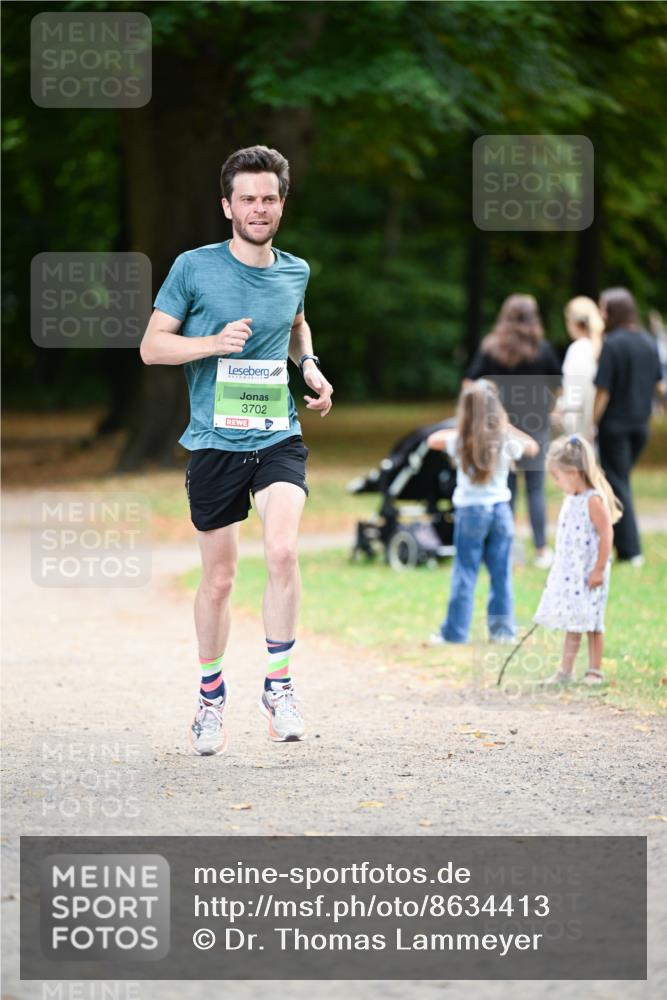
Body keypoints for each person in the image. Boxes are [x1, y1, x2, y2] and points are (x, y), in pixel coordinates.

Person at [140, 145, 333, 754]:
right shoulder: (193, 268)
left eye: (269, 198)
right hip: (214, 442)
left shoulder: (295, 271)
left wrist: (310, 365)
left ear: (282, 205)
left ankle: (279, 687)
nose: (258, 208)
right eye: (247, 199)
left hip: (277, 434)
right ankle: (210, 698)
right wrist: (213, 343)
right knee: (220, 580)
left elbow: (296, 324)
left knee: (282, 551)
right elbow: (152, 347)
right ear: (227, 206)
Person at [427, 380, 539, 644]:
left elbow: (432, 440)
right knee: (501, 574)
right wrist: (505, 426)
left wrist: (466, 426)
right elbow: (532, 446)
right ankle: (502, 632)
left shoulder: (460, 440)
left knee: (465, 573)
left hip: (470, 512)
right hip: (500, 511)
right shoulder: (504, 440)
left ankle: (455, 633)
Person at [464, 294, 561, 569]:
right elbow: (559, 384)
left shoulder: (491, 348)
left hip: (499, 427)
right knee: (535, 489)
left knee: (504, 488)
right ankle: (541, 550)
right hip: (536, 426)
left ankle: (504, 548)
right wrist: (550, 408)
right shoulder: (543, 349)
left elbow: (469, 383)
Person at [534, 435, 622, 684]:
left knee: (593, 621)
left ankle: (594, 670)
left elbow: (606, 533)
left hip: (591, 573)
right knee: (573, 620)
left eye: (557, 477)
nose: (556, 483)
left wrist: (599, 569)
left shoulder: (593, 500)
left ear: (573, 472)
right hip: (572, 574)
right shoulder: (571, 499)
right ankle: (565, 671)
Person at [593, 287, 665, 565]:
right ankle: (618, 545)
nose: (601, 314)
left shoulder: (612, 344)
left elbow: (603, 390)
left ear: (613, 311)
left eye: (603, 309)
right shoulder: (647, 341)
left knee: (617, 484)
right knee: (619, 482)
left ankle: (631, 550)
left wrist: (593, 421)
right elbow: (659, 385)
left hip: (615, 427)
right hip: (641, 427)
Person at [553, 296, 604, 442]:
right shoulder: (602, 348)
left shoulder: (578, 350)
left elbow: (574, 394)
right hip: (598, 428)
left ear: (573, 323)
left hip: (581, 430)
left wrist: (562, 416)